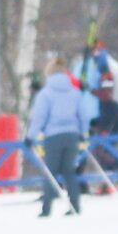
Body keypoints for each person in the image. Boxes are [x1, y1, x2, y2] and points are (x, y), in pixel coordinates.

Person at [27, 58, 91, 217]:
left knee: (51, 172)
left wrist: (30, 136)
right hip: (72, 134)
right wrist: (83, 132)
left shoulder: (45, 94)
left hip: (53, 136)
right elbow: (84, 115)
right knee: (69, 171)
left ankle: (46, 208)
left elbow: (39, 117)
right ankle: (75, 205)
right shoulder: (75, 93)